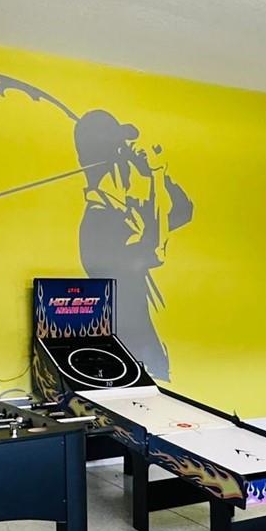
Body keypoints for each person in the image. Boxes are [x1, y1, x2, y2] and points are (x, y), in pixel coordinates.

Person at [72, 110, 193, 380]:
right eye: (121, 149)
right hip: (134, 355)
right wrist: (156, 175)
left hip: (146, 353)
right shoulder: (99, 223)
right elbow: (155, 248)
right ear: (109, 162)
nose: (128, 156)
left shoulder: (124, 212)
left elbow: (184, 210)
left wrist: (160, 177)